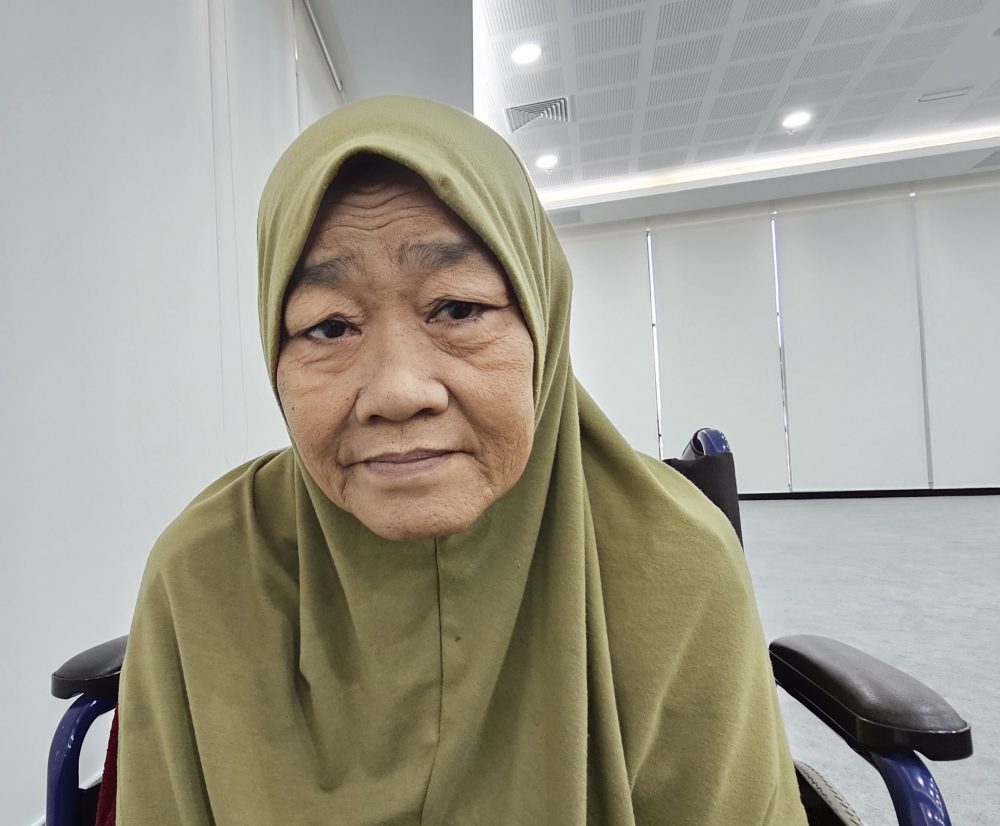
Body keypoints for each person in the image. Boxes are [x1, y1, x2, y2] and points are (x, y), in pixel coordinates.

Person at [116, 95, 808, 824]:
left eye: (457, 309)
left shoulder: (676, 564)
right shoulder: (203, 574)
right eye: (330, 326)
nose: (397, 392)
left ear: (542, 322)